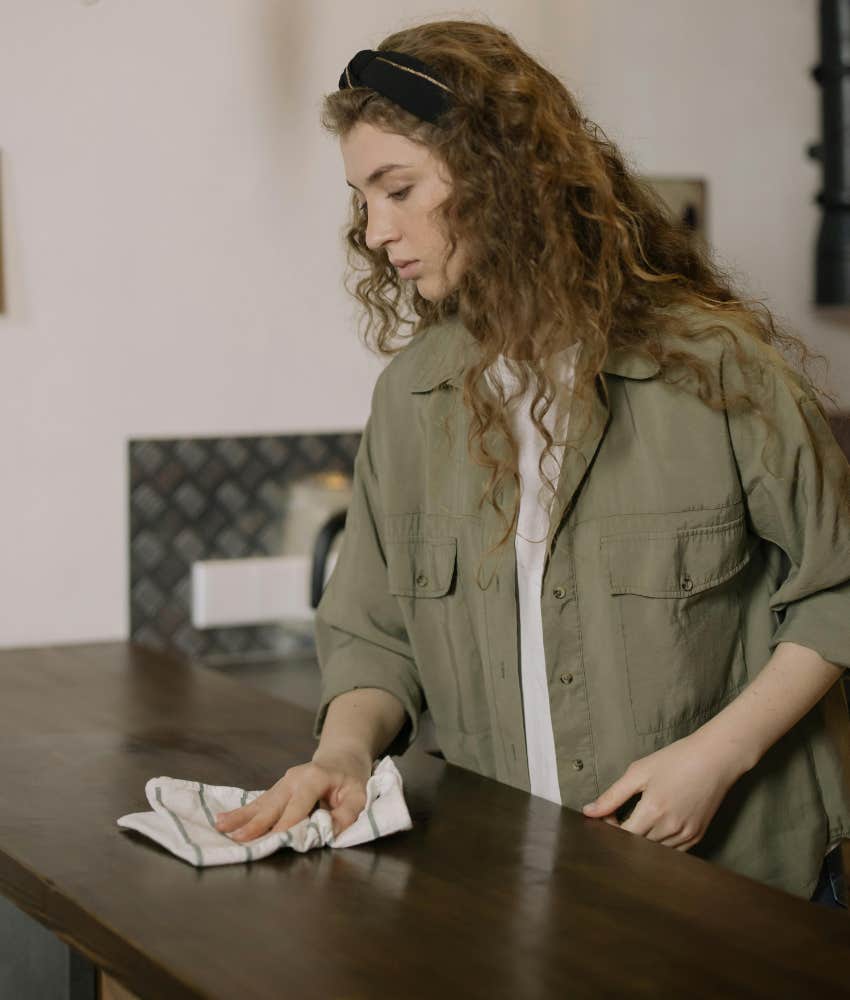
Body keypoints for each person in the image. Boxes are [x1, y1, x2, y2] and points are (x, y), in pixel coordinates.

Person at [214, 18, 850, 908]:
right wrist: (342, 754)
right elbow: (371, 633)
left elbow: (835, 587)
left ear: (498, 175)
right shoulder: (412, 400)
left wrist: (716, 757)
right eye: (363, 198)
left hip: (744, 881)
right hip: (513, 884)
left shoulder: (712, 368)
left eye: (397, 189)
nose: (376, 231)